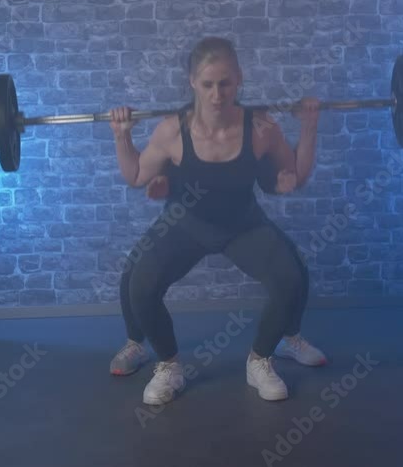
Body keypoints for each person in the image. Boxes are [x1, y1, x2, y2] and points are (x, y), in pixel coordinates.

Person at [107, 37, 327, 404]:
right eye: (207, 84)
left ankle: (261, 360)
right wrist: (122, 136)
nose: (216, 94)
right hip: (185, 224)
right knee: (140, 285)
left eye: (225, 83)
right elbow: (136, 176)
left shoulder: (261, 128)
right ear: (192, 82)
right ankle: (169, 366)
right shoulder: (172, 130)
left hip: (243, 224)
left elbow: (296, 173)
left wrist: (309, 126)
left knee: (290, 277)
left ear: (239, 79)